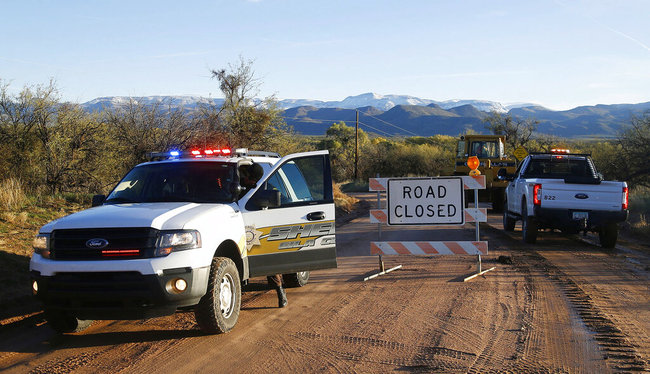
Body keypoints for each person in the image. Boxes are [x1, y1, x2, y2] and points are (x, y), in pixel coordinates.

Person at [238, 163, 287, 308]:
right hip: (236, 225)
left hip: (255, 226)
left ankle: (280, 291)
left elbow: (277, 200)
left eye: (254, 181)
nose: (251, 183)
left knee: (268, 261)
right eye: (250, 180)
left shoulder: (264, 186)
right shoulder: (233, 182)